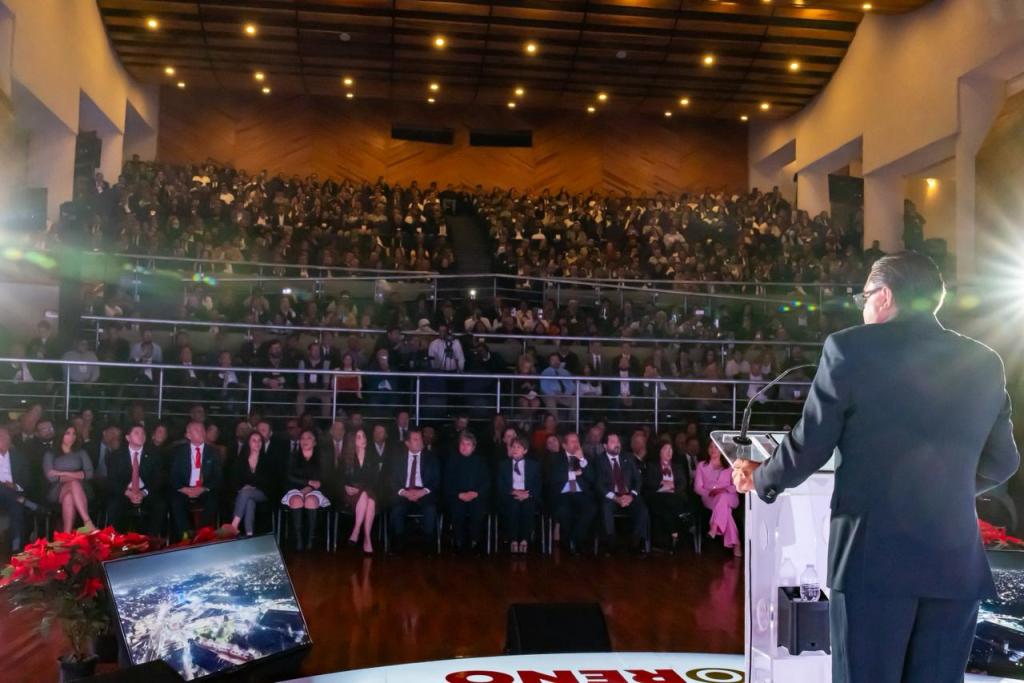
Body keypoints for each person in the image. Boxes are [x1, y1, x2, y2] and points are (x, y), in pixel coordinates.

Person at [732, 252, 1020, 683]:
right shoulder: (985, 361)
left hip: (873, 566)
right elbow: (1003, 462)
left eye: (864, 296)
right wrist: (946, 488)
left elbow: (810, 446)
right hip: (955, 567)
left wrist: (760, 478)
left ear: (884, 296)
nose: (864, 307)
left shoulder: (849, 349)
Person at [106, 425, 166, 536]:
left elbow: (158, 479)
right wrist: (128, 493)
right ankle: (117, 542)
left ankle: (151, 542)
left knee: (160, 505)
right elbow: (111, 481)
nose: (141, 436)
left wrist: (143, 493)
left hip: (145, 492)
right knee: (113, 506)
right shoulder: (116, 456)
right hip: (125, 492)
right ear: (128, 438)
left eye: (143, 433)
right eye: (137, 433)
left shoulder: (154, 455)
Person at [594, 432, 648, 554]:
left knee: (642, 508)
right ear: (605, 446)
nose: (617, 444)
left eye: (618, 442)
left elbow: (637, 479)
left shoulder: (628, 458)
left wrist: (632, 495)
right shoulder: (599, 460)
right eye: (613, 442)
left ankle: (635, 543)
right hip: (611, 495)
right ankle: (610, 543)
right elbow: (599, 485)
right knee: (606, 506)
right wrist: (615, 498)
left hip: (628, 494)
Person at [387, 427, 440, 553]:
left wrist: (422, 492)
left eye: (420, 438)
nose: (420, 441)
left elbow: (436, 480)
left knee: (430, 509)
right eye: (415, 439)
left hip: (424, 493)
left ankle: (429, 544)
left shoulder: (431, 457)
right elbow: (392, 480)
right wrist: (404, 493)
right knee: (397, 508)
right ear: (407, 443)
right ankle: (398, 542)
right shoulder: (397, 458)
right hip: (404, 492)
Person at [169, 420, 222, 539]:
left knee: (213, 500)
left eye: (203, 429)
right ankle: (185, 535)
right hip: (185, 489)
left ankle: (201, 534)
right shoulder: (179, 452)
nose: (202, 432)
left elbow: (217, 477)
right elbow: (173, 476)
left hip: (204, 489)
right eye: (197, 430)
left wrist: (203, 488)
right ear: (188, 435)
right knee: (175, 501)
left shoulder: (213, 452)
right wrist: (184, 489)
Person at [546, 431, 595, 555]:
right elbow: (552, 478)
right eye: (572, 442)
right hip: (563, 494)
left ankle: (574, 539)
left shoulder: (586, 457)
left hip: (580, 493)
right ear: (564, 446)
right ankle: (571, 543)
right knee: (563, 511)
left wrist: (582, 460)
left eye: (577, 441)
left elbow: (592, 479)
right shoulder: (555, 458)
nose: (576, 444)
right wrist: (572, 474)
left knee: (590, 509)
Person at [282, 428, 330, 551]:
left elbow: (324, 477)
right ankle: (298, 540)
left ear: (314, 442)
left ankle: (310, 539)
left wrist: (310, 487)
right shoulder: (293, 456)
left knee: (311, 501)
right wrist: (306, 483)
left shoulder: (321, 457)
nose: (305, 440)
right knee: (296, 500)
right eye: (303, 438)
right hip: (296, 488)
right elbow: (288, 476)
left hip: (315, 490)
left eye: (309, 438)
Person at [43, 424, 97, 533]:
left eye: (74, 434)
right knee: (74, 483)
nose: (72, 437)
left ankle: (66, 535)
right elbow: (51, 478)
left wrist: (61, 473)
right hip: (57, 490)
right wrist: (77, 475)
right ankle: (87, 522)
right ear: (60, 435)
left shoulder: (81, 452)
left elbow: (90, 474)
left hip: (82, 489)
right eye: (68, 433)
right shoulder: (50, 454)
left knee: (69, 496)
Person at [443, 432, 490, 554]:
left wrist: (476, 493)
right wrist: (459, 494)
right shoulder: (452, 460)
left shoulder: (481, 461)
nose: (464, 446)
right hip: (457, 495)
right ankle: (459, 541)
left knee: (478, 510)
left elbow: (486, 482)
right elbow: (447, 482)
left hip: (476, 495)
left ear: (473, 447)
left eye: (468, 444)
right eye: (462, 444)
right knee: (456, 510)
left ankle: (475, 541)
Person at [642, 441, 693, 552]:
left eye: (671, 449)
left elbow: (683, 483)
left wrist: (672, 486)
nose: (669, 452)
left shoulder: (677, 466)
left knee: (669, 504)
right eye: (666, 449)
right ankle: (680, 525)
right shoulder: (652, 466)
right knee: (665, 501)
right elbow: (648, 482)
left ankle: (672, 536)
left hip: (675, 496)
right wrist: (662, 484)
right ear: (660, 452)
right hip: (658, 496)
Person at [496, 434, 541, 553]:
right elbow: (500, 484)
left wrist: (528, 494)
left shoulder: (533, 465)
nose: (515, 449)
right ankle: (514, 540)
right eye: (513, 447)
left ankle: (525, 540)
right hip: (510, 494)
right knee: (513, 507)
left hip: (527, 494)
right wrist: (512, 492)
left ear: (525, 451)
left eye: (519, 447)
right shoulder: (503, 464)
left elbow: (538, 484)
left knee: (528, 507)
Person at [696, 442, 740, 556]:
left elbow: (736, 486)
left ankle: (714, 527)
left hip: (730, 496)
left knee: (723, 497)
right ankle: (736, 543)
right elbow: (697, 488)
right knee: (725, 509)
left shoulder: (731, 466)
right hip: (710, 498)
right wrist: (711, 493)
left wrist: (724, 490)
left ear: (721, 449)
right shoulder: (702, 465)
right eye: (710, 446)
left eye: (716, 447)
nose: (713, 450)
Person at [342, 428, 380, 555]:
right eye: (359, 437)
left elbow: (375, 479)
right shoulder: (346, 457)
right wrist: (345, 486)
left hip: (368, 489)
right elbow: (339, 478)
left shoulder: (373, 456)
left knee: (367, 496)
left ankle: (356, 532)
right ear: (352, 441)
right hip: (351, 492)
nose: (363, 439)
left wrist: (364, 488)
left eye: (363, 436)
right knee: (369, 500)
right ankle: (367, 540)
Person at [229, 431, 274, 536]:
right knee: (249, 500)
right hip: (244, 493)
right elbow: (234, 479)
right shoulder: (240, 460)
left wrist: (252, 486)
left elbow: (268, 481)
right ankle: (250, 534)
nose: (257, 443)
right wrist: (243, 486)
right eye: (254, 440)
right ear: (248, 443)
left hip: (263, 492)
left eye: (259, 441)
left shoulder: (267, 460)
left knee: (246, 493)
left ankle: (233, 526)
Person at [0, 426, 37, 552]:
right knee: (7, 491)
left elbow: (27, 480)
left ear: (10, 439)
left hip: (13, 492)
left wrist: (15, 486)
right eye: (0, 436)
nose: (2, 439)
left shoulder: (20, 457)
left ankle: (16, 546)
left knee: (17, 507)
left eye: (5, 436)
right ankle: (26, 502)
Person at [540, 353, 575, 422]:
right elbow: (544, 387)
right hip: (551, 395)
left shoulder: (565, 372)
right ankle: (555, 425)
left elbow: (572, 385)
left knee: (575, 400)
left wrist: (566, 394)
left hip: (564, 395)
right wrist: (554, 393)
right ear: (549, 362)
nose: (556, 362)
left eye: (557, 359)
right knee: (550, 400)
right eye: (553, 360)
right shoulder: (545, 372)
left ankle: (572, 424)